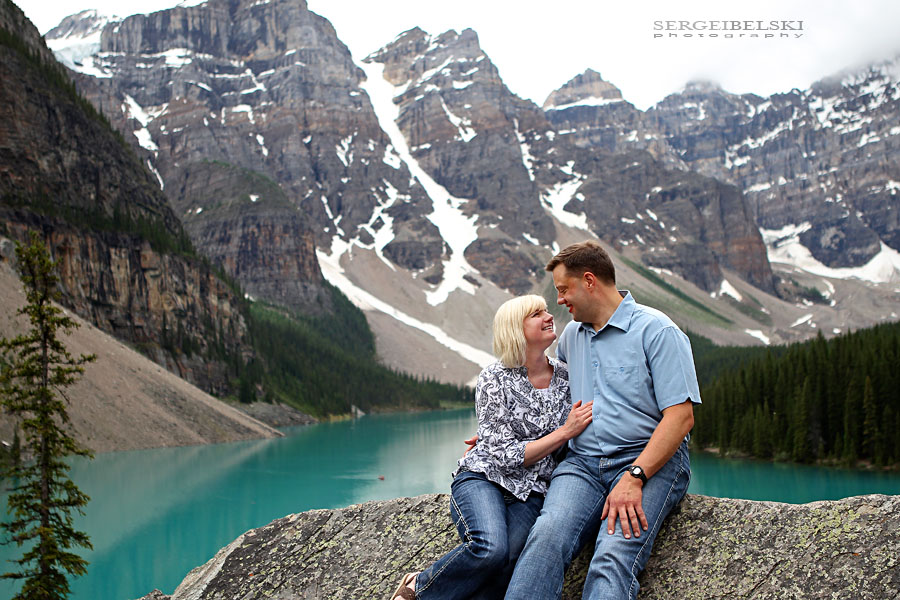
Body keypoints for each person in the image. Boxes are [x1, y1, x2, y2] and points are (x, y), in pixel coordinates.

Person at [504, 240, 701, 600]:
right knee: (546, 535)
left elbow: (681, 417)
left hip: (646, 461)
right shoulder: (570, 337)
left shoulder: (658, 331)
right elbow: (547, 400)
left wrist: (636, 476)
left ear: (590, 281)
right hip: (582, 464)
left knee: (612, 555)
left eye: (563, 289)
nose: (560, 300)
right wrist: (500, 436)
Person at [390, 295, 594, 600]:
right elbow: (503, 456)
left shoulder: (567, 377)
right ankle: (418, 588)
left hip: (533, 491)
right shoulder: (493, 378)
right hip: (484, 478)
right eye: (536, 314)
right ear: (515, 328)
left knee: (510, 561)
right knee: (490, 549)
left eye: (546, 311)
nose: (549, 316)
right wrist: (564, 432)